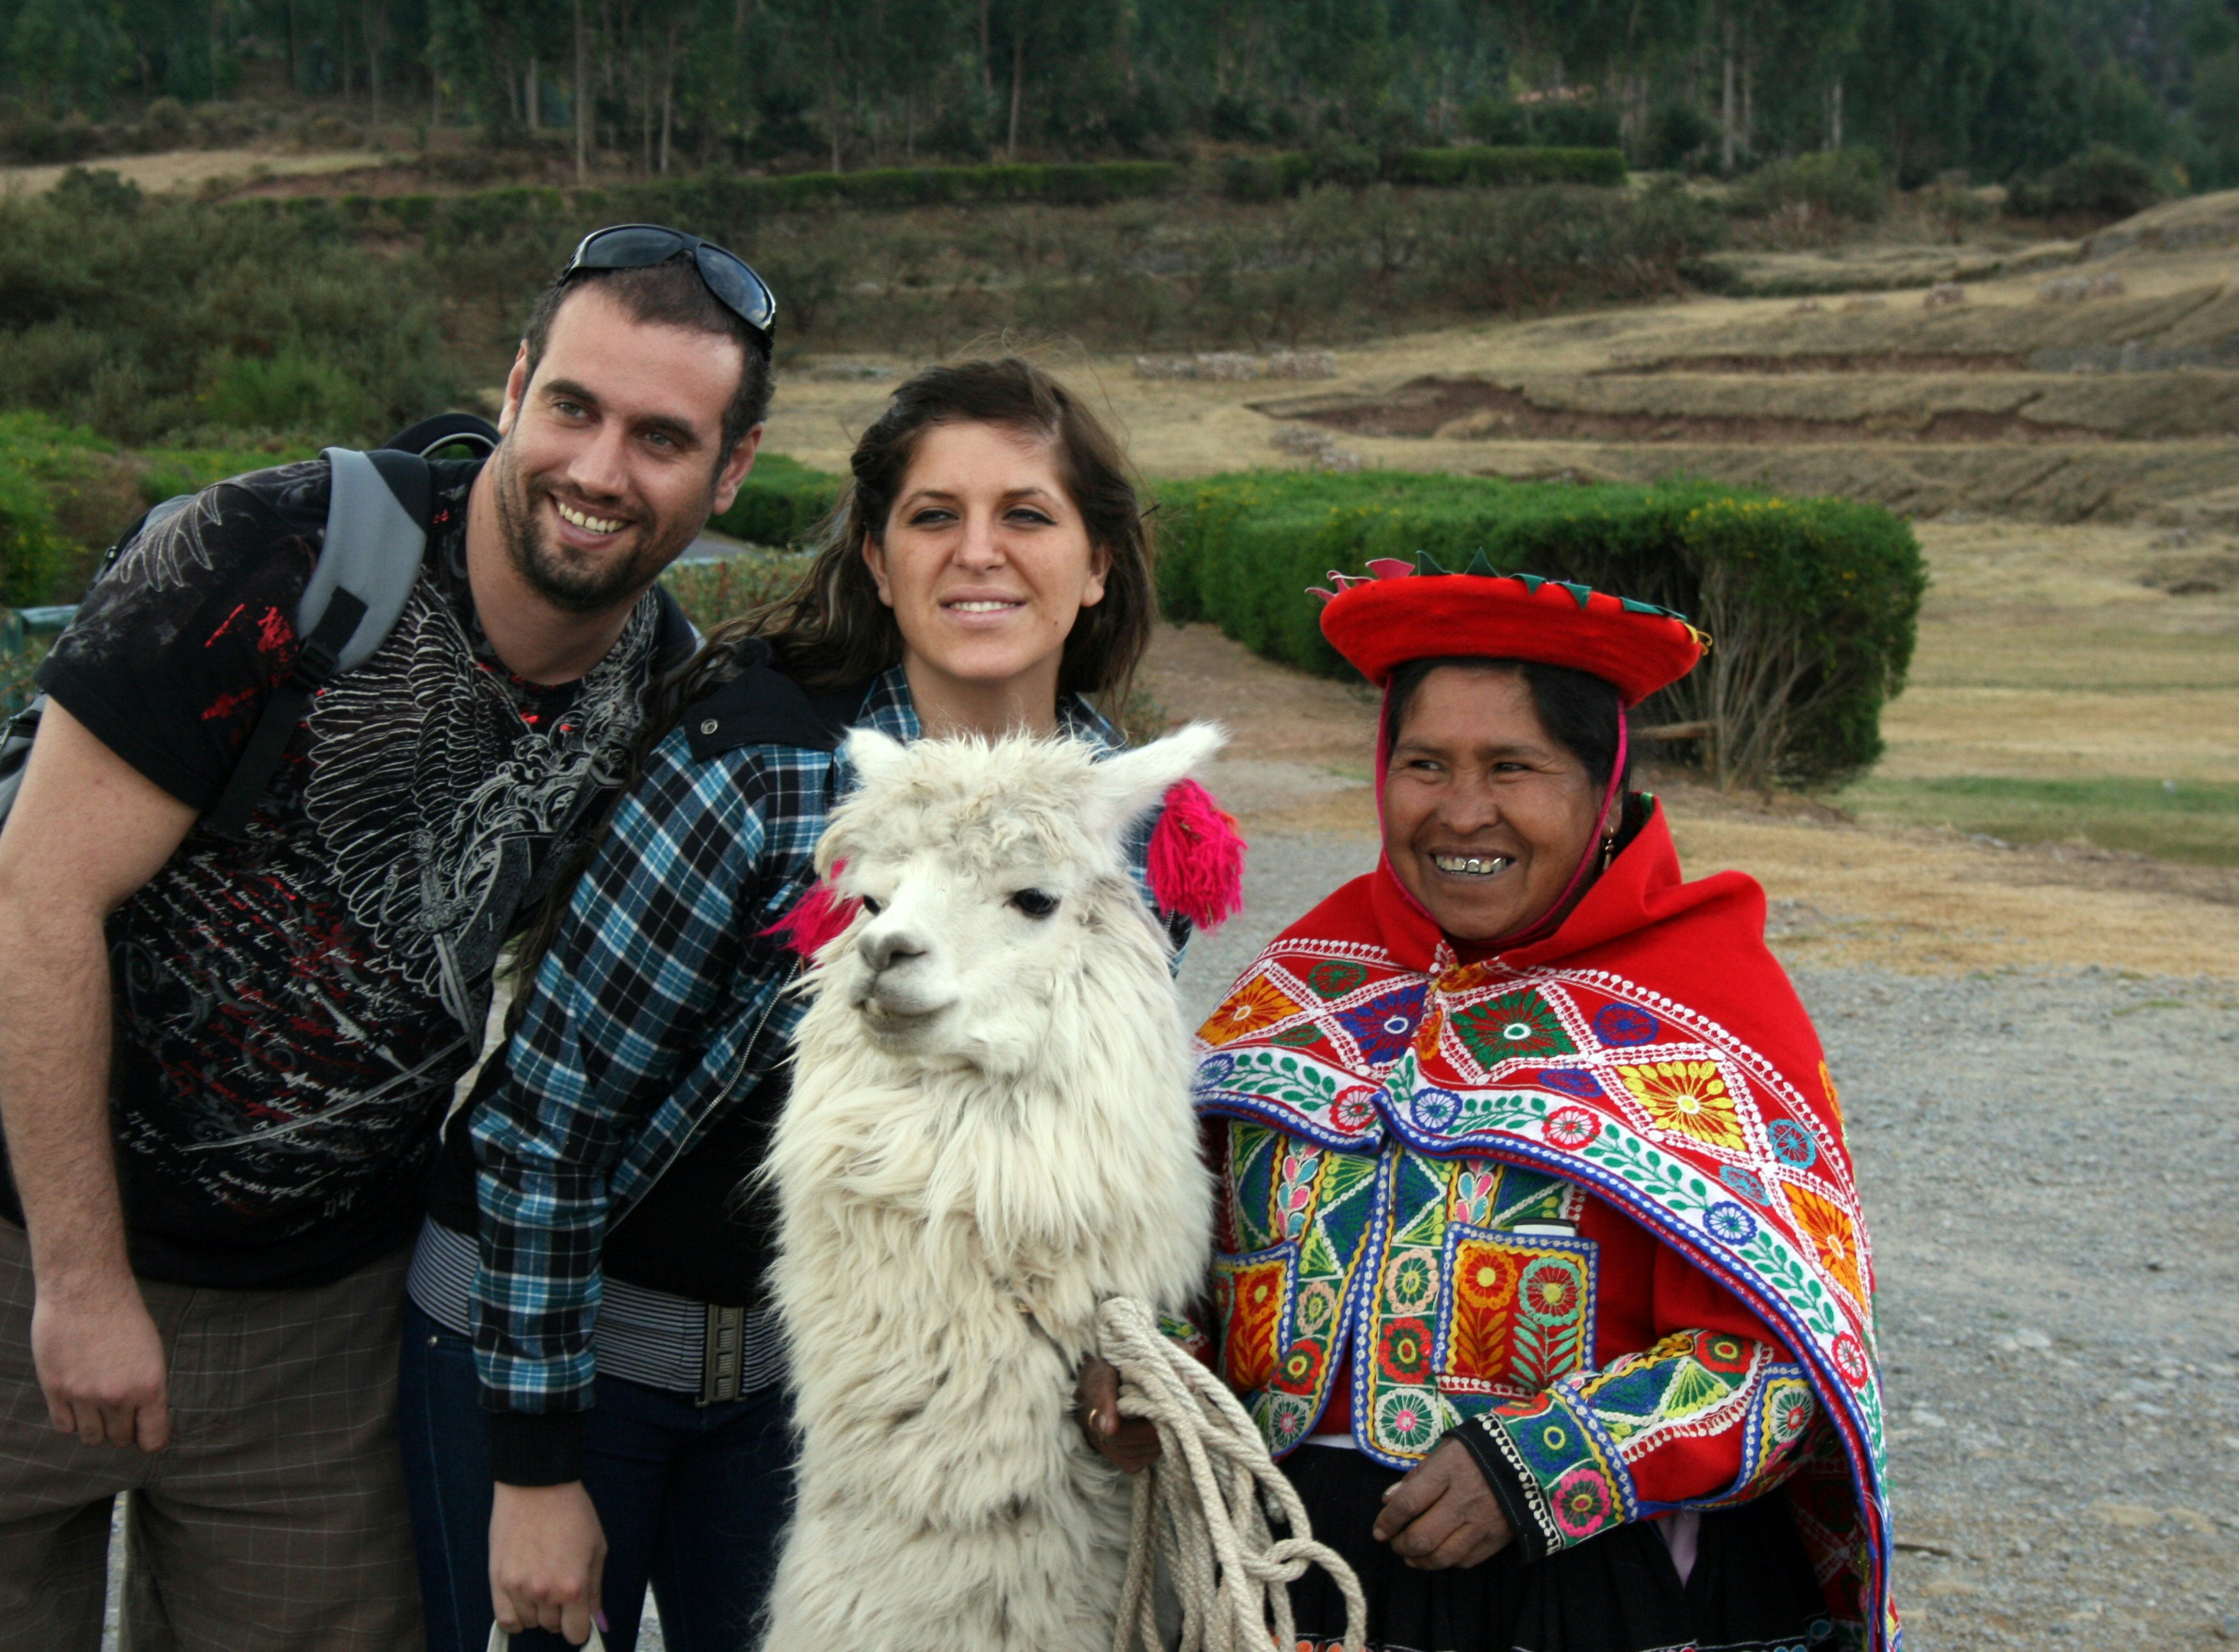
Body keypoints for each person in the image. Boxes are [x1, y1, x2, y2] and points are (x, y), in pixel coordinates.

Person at [0, 223, 775, 1651]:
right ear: (512, 390)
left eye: (662, 437)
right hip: (1, 1241)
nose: (601, 470)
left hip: (317, 1317)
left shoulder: (666, 698)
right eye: (574, 407)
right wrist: (80, 1283)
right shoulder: (263, 550)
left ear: (728, 473)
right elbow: (37, 898)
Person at [418, 356, 1222, 1652]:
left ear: (1099, 564)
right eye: (932, 517)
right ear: (876, 552)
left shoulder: (1119, 829)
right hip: (573, 1349)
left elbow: (1086, 1134)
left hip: (829, 1377)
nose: (979, 556)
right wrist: (534, 1464)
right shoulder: (764, 778)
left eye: (1026, 515)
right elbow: (546, 1120)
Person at [1092, 562, 1896, 1651]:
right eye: (1426, 765)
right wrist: (1156, 1359)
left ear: (1604, 788)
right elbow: (1185, 1248)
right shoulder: (1306, 982)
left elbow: (1780, 1371)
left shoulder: (1711, 1014)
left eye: (1514, 767)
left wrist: (1544, 1468)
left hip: (1573, 1595)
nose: (1463, 811)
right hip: (1281, 1582)